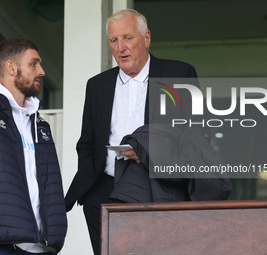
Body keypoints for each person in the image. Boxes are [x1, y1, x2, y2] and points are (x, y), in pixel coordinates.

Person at [65, 9, 229, 255]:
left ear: (147, 38)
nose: (121, 47)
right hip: (104, 192)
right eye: (114, 40)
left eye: (128, 38)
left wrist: (148, 153)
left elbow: (194, 138)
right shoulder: (97, 85)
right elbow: (87, 143)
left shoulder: (179, 74)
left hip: (159, 189)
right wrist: (91, 188)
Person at [0, 38, 67, 255]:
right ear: (11, 67)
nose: (42, 71)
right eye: (34, 63)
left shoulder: (39, 125)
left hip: (41, 248)